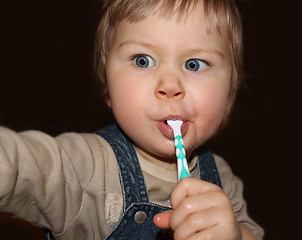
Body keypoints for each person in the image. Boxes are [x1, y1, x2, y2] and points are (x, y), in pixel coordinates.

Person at [0, 0, 264, 239]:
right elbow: (17, 164)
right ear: (108, 85)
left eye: (194, 64)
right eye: (143, 61)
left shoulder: (222, 179)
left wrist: (236, 236)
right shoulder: (84, 168)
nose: (170, 85)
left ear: (230, 92)